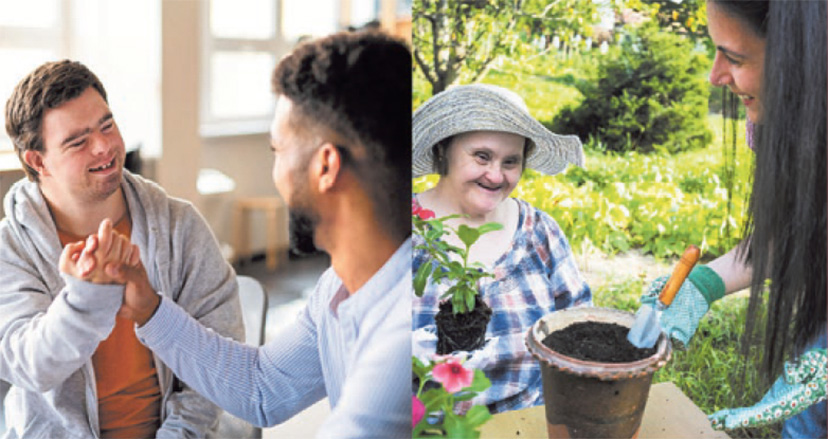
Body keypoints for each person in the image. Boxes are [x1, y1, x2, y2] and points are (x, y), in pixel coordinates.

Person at [85, 31, 412, 438]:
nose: (274, 170)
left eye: (276, 150)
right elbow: (263, 388)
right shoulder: (339, 289)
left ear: (325, 167)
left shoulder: (403, 342)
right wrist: (150, 308)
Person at [0, 60, 244, 438]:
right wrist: (85, 298)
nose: (105, 147)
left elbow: (218, 360)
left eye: (107, 125)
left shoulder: (180, 226)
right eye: (78, 141)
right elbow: (30, 364)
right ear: (37, 161)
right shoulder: (10, 247)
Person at [642, 1, 826, 436]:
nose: (715, 75)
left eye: (735, 57)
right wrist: (703, 285)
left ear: (802, 57)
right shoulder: (775, 119)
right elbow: (794, 229)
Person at [411, 83, 592, 414]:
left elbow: (578, 327)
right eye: (482, 156)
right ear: (443, 151)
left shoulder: (541, 233)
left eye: (511, 161)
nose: (496, 175)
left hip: (531, 420)